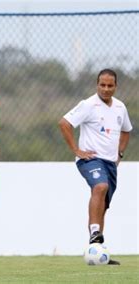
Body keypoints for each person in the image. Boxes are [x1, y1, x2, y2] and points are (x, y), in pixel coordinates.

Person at [59, 68, 132, 265]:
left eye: (110, 85)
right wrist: (76, 149)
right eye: (102, 85)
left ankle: (98, 251)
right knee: (100, 187)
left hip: (110, 163)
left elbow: (126, 131)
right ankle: (94, 232)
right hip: (89, 159)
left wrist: (120, 154)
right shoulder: (88, 105)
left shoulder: (120, 108)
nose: (106, 89)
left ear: (116, 86)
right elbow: (64, 123)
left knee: (103, 207)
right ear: (97, 85)